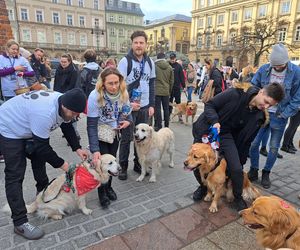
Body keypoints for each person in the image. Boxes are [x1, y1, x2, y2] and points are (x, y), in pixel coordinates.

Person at [0, 88, 88, 240]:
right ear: (64, 106)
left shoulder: (64, 102)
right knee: (15, 174)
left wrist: (77, 148)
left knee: (39, 163)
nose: (75, 117)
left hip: (29, 127)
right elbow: (43, 147)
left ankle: (42, 197)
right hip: (10, 127)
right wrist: (64, 165)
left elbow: (66, 124)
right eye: (74, 113)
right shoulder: (44, 113)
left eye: (77, 114)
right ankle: (20, 222)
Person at [192, 82, 285, 212]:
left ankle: (237, 196)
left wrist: (240, 160)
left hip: (226, 135)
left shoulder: (259, 116)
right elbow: (210, 105)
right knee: (198, 161)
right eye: (266, 101)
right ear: (261, 92)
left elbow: (248, 141)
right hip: (209, 130)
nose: (266, 106)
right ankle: (203, 188)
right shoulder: (235, 94)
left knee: (236, 168)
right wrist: (215, 121)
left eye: (270, 105)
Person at [248, 43, 300, 189]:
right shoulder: (265, 68)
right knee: (253, 143)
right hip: (261, 113)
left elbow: (297, 98)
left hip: (280, 115)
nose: (276, 68)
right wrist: (256, 104)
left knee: (273, 148)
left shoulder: (296, 72)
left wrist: (284, 114)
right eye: (274, 65)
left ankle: (266, 173)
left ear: (286, 62)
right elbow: (254, 85)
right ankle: (253, 169)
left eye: (280, 65)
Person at [87, 67, 132, 208]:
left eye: (116, 82)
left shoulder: (123, 93)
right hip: (100, 133)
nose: (114, 86)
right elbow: (91, 126)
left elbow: (127, 112)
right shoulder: (95, 96)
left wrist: (128, 121)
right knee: (101, 164)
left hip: (114, 133)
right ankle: (102, 192)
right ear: (103, 84)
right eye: (110, 83)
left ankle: (109, 187)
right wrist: (94, 149)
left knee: (112, 161)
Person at [116, 30, 155, 180]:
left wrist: (152, 104)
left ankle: (138, 164)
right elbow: (119, 86)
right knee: (126, 138)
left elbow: (152, 84)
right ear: (132, 44)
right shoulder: (125, 61)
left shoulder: (150, 62)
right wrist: (129, 103)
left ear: (146, 44)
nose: (138, 45)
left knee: (141, 138)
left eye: (141, 43)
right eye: (136, 42)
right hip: (128, 107)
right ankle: (123, 167)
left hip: (144, 106)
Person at [154, 52, 174, 131]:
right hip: (166, 91)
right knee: (166, 108)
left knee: (157, 109)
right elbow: (172, 81)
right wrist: (169, 90)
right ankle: (166, 126)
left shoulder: (154, 66)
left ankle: (158, 125)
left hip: (156, 91)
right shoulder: (169, 67)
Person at [168, 52, 185, 118]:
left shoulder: (178, 66)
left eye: (173, 58)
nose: (172, 60)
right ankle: (168, 115)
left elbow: (182, 76)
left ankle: (179, 116)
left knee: (178, 102)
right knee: (169, 102)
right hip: (169, 87)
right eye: (171, 58)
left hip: (177, 87)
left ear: (175, 58)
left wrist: (184, 86)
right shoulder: (167, 65)